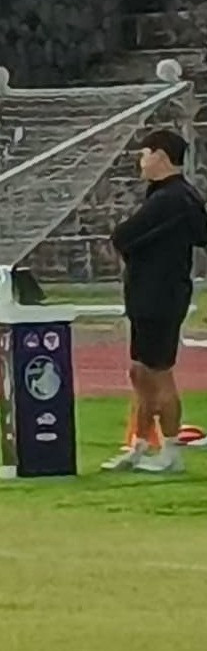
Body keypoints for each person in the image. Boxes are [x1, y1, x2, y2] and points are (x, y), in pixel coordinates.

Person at [105, 129, 207, 474]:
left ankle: (172, 450)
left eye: (145, 153)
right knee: (140, 372)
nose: (141, 161)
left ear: (162, 156)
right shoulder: (174, 197)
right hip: (150, 294)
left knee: (159, 374)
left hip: (160, 297)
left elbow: (123, 236)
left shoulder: (173, 199)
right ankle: (141, 443)